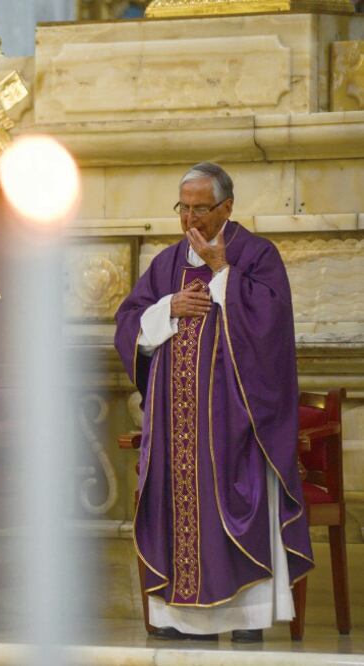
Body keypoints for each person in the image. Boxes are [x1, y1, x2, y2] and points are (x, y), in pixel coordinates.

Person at [114, 162, 313, 643]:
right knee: (177, 513)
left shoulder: (257, 255)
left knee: (233, 508)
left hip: (237, 426)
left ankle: (244, 620)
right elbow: (128, 324)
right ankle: (180, 621)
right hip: (175, 430)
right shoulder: (166, 263)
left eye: (201, 208)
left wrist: (224, 271)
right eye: (183, 207)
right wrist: (167, 309)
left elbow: (272, 330)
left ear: (227, 206)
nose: (190, 219)